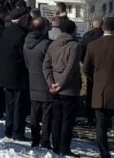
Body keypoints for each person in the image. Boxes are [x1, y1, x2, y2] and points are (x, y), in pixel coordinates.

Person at [83, 17, 114, 158]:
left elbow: (86, 69)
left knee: (100, 126)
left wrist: (96, 80)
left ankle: (104, 153)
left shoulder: (92, 45)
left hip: (99, 91)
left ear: (102, 28)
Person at [44, 18, 81, 157]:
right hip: (68, 88)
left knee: (56, 118)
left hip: (54, 88)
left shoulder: (53, 45)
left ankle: (56, 146)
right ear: (73, 31)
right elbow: (71, 68)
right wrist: (61, 84)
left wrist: (51, 82)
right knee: (67, 120)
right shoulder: (74, 46)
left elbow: (46, 65)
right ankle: (64, 147)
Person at [0, 8, 31, 140]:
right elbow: (24, 55)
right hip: (19, 74)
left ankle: (9, 128)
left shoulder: (6, 31)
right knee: (19, 105)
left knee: (10, 104)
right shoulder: (22, 34)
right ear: (22, 19)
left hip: (6, 73)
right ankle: (17, 132)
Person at [24, 16, 52, 148]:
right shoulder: (46, 44)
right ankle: (45, 140)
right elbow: (50, 64)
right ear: (44, 28)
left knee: (34, 112)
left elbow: (27, 63)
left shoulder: (26, 43)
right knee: (46, 114)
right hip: (45, 81)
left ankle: (35, 138)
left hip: (32, 80)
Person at [79, 17, 104, 125]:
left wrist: (86, 63)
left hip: (89, 68)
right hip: (103, 69)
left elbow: (81, 53)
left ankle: (90, 116)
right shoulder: (104, 37)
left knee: (90, 92)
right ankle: (100, 116)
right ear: (102, 25)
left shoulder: (86, 36)